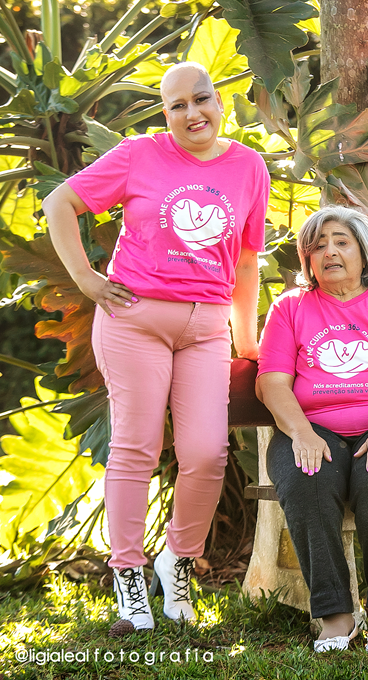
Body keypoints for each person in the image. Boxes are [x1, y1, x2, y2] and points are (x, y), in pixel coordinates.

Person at [44, 61, 267, 631]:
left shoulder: (248, 167)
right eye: (177, 106)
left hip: (206, 328)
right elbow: (59, 205)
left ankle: (176, 560)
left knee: (206, 453)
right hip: (133, 319)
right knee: (136, 448)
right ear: (164, 115)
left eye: (202, 99)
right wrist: (89, 282)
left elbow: (244, 261)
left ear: (220, 103)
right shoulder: (139, 155)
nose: (192, 113)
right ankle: (129, 580)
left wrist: (246, 339)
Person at [256, 206, 368, 652]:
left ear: (364, 252)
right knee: (308, 481)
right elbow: (272, 383)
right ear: (307, 260)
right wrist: (300, 432)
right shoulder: (290, 309)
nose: (330, 252)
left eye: (341, 241)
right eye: (318, 246)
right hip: (313, 429)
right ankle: (336, 615)